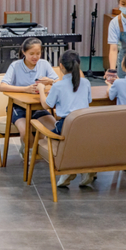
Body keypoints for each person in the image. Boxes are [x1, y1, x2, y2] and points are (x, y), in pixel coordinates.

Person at [38, 50, 93, 187]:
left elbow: (46, 105)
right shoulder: (86, 82)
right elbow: (89, 100)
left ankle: (66, 168)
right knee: (79, 141)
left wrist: (41, 89)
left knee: (52, 136)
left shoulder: (58, 86)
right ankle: (86, 169)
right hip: (86, 124)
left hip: (67, 124)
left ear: (61, 66)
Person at [0, 37, 58, 155]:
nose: (35, 57)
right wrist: (26, 89)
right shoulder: (15, 65)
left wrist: (51, 81)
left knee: (54, 128)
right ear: (24, 52)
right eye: (31, 54)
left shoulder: (44, 64)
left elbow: (59, 83)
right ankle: (28, 152)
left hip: (38, 106)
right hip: (18, 107)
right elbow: (2, 86)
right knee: (25, 131)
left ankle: (40, 152)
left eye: (38, 53)